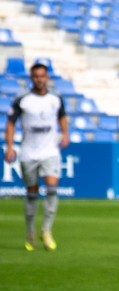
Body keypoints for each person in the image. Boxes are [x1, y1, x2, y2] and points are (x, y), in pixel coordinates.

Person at [4, 62, 69, 252]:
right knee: (32, 194)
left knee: (52, 189)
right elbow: (10, 123)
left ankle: (46, 230)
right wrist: (10, 147)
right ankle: (30, 231)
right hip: (29, 152)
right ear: (31, 78)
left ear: (47, 77)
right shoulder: (23, 100)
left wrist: (65, 133)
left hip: (50, 151)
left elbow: (62, 116)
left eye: (42, 76)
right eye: (36, 76)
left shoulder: (56, 98)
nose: (39, 79)